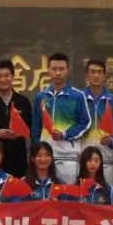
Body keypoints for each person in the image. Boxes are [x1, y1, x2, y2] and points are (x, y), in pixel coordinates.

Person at [31, 52, 90, 184]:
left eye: (61, 69)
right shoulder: (41, 96)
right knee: (46, 193)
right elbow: (36, 127)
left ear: (68, 70)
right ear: (48, 70)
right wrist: (36, 152)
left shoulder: (78, 96)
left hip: (68, 156)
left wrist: (64, 134)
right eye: (54, 69)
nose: (57, 73)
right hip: (45, 158)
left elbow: (85, 123)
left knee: (68, 194)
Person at [0, 58, 34, 177]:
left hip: (18, 156)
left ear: (12, 76)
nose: (3, 79)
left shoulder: (22, 101)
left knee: (17, 186)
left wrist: (19, 132)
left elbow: (30, 128)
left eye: (7, 75)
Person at [78, 59, 113, 183]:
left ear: (105, 75)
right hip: (83, 159)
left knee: (106, 193)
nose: (96, 75)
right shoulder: (79, 99)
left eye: (99, 72)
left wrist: (112, 140)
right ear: (87, 75)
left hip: (106, 159)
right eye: (92, 72)